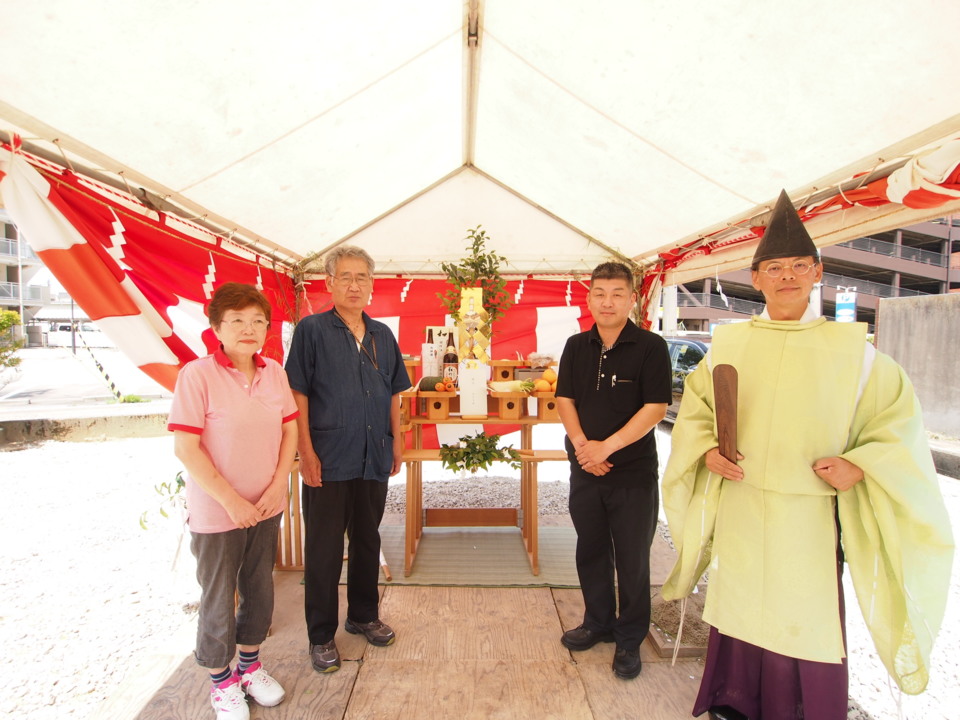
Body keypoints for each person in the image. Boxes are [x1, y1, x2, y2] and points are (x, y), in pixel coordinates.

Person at [661, 190, 954, 720]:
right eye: (774, 267)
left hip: (811, 512)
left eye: (799, 266)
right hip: (744, 502)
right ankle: (736, 699)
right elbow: (698, 413)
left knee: (805, 612)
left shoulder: (856, 354)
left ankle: (799, 709)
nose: (787, 276)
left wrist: (860, 463)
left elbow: (897, 426)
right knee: (741, 600)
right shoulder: (729, 345)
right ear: (755, 278)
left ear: (818, 272)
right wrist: (706, 451)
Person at [168, 282, 299, 720]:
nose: (250, 329)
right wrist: (232, 501)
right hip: (217, 510)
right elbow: (186, 447)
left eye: (258, 321)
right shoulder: (197, 375)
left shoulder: (274, 372)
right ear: (217, 328)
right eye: (238, 321)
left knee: (260, 587)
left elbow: (289, 431)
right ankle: (221, 680)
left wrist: (279, 483)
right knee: (219, 595)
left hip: (266, 505)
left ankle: (250, 665)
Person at [285, 245, 410, 674]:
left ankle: (362, 614)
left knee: (367, 538)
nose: (355, 285)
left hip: (373, 454)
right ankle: (320, 635)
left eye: (363, 278)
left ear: (373, 286)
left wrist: (395, 442)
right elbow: (297, 392)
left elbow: (394, 392)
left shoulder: (383, 335)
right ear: (329, 283)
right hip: (329, 455)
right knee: (321, 549)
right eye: (346, 277)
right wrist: (305, 450)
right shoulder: (311, 331)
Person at [555, 261, 673, 680]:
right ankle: (598, 622)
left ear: (632, 299)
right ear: (588, 298)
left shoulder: (651, 347)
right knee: (590, 548)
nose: (607, 301)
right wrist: (585, 448)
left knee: (632, 556)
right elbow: (565, 400)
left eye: (617, 293)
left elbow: (656, 407)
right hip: (585, 468)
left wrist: (609, 446)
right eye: (600, 293)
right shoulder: (574, 345)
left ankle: (629, 638)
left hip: (633, 472)